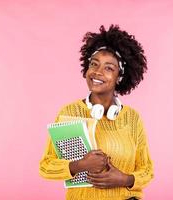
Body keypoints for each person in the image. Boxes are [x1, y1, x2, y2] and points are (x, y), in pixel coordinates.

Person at [39, 24, 154, 200]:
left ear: (120, 77)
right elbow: (46, 166)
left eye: (109, 68)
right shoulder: (69, 112)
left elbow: (147, 170)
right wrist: (80, 165)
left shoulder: (132, 118)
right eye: (94, 64)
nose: (97, 72)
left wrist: (124, 179)